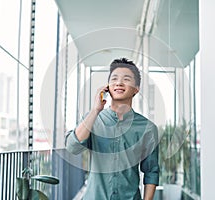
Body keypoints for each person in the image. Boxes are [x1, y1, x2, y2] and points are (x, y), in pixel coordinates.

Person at [65, 58, 159, 200]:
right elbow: (72, 147)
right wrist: (95, 110)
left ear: (136, 89)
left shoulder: (147, 128)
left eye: (126, 79)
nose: (119, 83)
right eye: (114, 78)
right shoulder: (92, 119)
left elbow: (151, 171)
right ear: (108, 86)